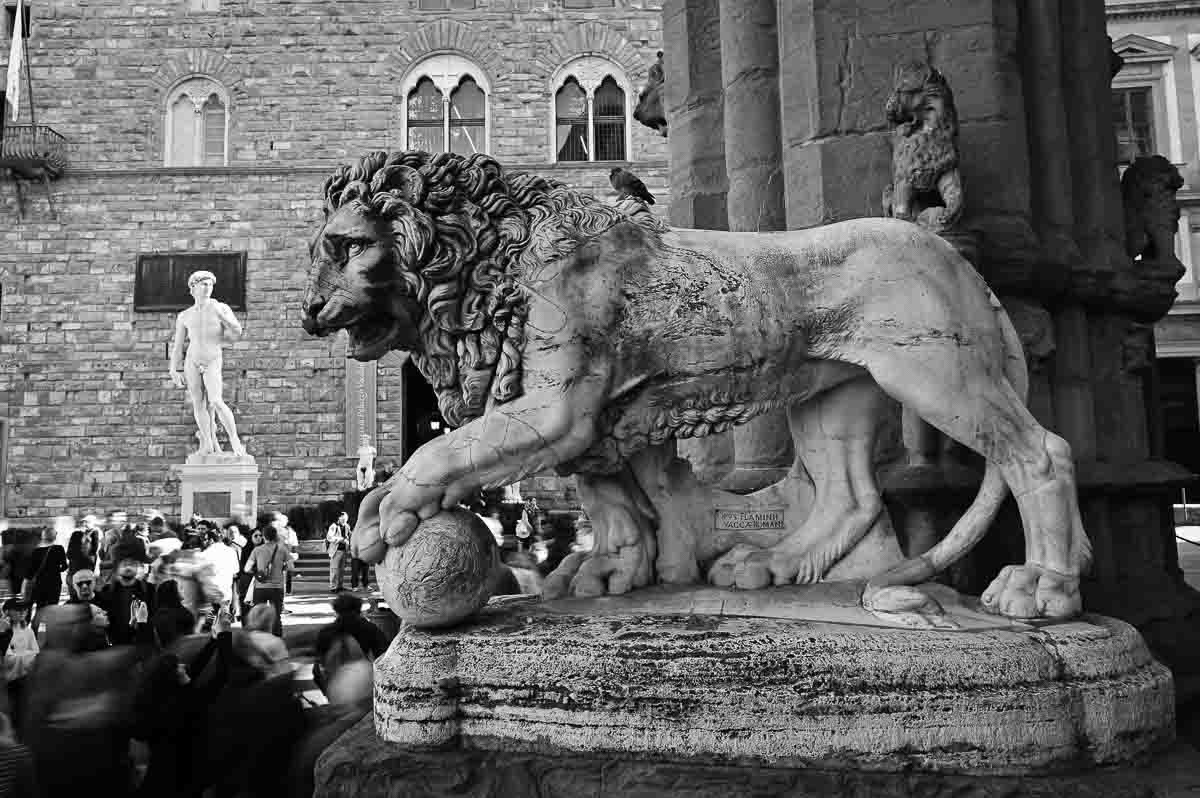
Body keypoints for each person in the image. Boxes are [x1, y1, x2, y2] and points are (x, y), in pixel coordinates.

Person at [168, 269, 247, 457]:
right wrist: (173, 369)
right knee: (198, 403)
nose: (207, 288)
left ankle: (235, 440)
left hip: (212, 358)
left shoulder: (220, 307)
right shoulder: (185, 315)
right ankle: (207, 444)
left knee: (216, 401)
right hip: (192, 360)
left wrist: (224, 318)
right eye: (203, 284)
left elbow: (237, 333)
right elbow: (178, 345)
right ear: (193, 287)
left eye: (210, 284)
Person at [312, 593, 388, 699]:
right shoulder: (370, 629)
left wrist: (328, 691)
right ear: (359, 610)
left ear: (336, 611)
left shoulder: (326, 632)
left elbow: (317, 669)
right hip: (364, 685)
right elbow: (384, 657)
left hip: (335, 687)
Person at [94, 540, 156, 647]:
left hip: (142, 645)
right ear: (117, 567)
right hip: (116, 645)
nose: (128, 567)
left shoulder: (149, 590)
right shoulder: (106, 592)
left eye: (132, 564)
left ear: (137, 566)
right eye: (124, 564)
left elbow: (154, 617)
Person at [243, 525, 290, 636]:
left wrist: (256, 572)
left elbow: (246, 568)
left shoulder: (257, 550)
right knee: (277, 615)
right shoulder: (282, 549)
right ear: (275, 536)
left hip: (260, 587)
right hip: (277, 587)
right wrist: (281, 568)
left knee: (258, 614)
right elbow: (291, 566)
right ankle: (277, 638)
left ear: (264, 536)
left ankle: (259, 637)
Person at [23, 527, 67, 628]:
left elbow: (30, 571)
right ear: (54, 537)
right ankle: (50, 629)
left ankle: (36, 628)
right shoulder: (59, 548)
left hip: (40, 583)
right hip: (54, 583)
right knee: (53, 607)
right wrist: (55, 570)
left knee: (40, 608)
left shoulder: (36, 551)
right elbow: (64, 566)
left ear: (43, 537)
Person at [65, 569, 110, 652]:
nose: (84, 586)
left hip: (102, 650)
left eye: (88, 582)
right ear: (74, 586)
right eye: (80, 583)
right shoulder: (68, 606)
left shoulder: (106, 601)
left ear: (94, 583)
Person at [67, 518, 102, 600]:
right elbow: (94, 551)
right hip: (86, 570)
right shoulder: (91, 534)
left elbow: (69, 554)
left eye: (87, 522)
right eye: (84, 522)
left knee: (76, 595)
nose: (85, 524)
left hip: (78, 570)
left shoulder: (93, 534)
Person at [236, 528, 262, 625]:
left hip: (260, 581)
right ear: (251, 537)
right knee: (245, 606)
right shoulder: (246, 549)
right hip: (247, 581)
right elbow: (243, 566)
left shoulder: (265, 549)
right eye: (256, 536)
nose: (258, 538)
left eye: (260, 535)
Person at [274, 513, 300, 596]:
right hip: (277, 554)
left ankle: (287, 590)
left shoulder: (291, 531)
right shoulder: (274, 531)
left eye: (284, 520)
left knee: (288, 572)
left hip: (288, 553)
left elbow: (294, 544)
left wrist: (295, 553)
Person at [325, 512, 350, 593]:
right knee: (334, 569)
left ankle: (340, 586)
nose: (344, 520)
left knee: (342, 570)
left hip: (344, 551)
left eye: (345, 519)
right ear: (339, 518)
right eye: (343, 519)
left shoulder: (347, 526)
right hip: (336, 551)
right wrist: (341, 539)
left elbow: (350, 535)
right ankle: (333, 587)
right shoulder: (334, 526)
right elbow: (329, 537)